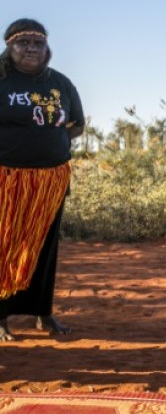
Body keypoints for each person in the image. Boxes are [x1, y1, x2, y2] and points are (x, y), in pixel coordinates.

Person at [0, 19, 84, 342]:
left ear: (46, 48)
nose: (32, 48)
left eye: (38, 43)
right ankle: (1, 317)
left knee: (45, 248)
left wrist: (52, 138)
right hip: (7, 181)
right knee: (5, 245)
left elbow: (76, 124)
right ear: (10, 47)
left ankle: (42, 312)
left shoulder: (60, 84)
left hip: (50, 182)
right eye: (24, 43)